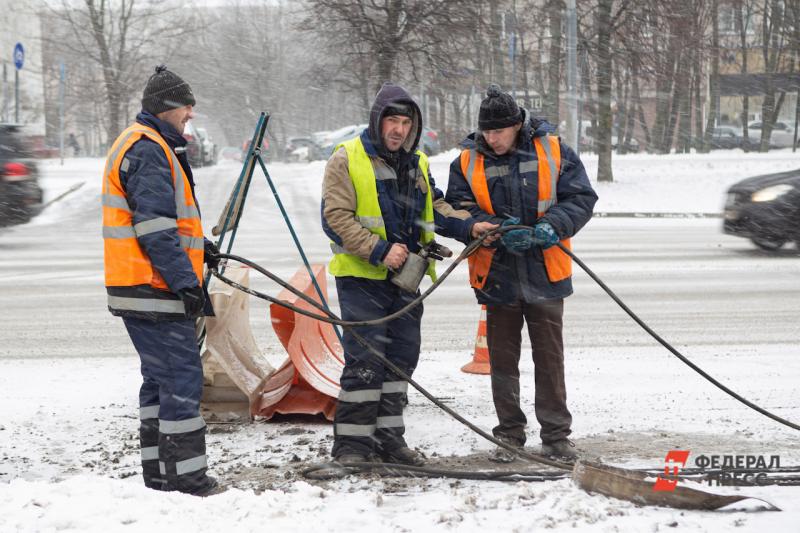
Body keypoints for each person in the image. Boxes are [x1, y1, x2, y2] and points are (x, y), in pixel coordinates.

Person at [321, 82, 498, 466]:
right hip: (362, 279)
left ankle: (388, 440)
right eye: (392, 121)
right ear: (377, 121)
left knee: (401, 360)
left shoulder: (415, 162)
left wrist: (470, 227)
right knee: (366, 362)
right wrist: (380, 250)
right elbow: (335, 219)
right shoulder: (347, 158)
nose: (398, 129)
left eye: (405, 122)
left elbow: (434, 205)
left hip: (406, 281)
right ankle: (352, 447)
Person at [445, 85, 598, 463]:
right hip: (497, 273)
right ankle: (509, 434)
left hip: (545, 270)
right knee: (502, 361)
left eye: (499, 131)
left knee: (549, 358)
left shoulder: (554, 149)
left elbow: (580, 198)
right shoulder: (466, 161)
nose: (492, 139)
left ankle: (556, 435)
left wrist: (553, 226)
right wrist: (494, 230)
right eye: (487, 132)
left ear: (517, 125)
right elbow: (458, 209)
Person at [101, 65, 221, 495]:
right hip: (154, 287)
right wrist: (185, 282)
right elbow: (154, 229)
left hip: (141, 286)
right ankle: (188, 480)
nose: (190, 112)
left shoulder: (146, 143)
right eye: (186, 105)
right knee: (181, 380)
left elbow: (165, 222)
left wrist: (199, 247)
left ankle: (159, 476)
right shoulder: (149, 148)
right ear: (166, 107)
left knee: (159, 380)